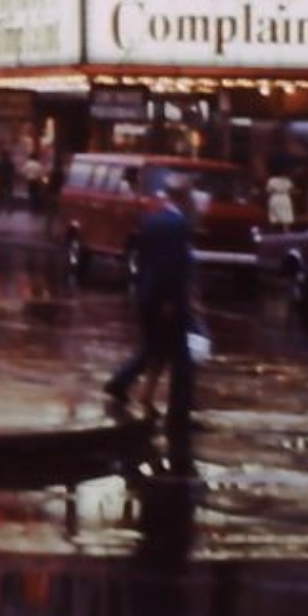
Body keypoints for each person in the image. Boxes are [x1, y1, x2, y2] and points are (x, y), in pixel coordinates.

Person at [104, 179, 199, 432]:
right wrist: (171, 299)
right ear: (184, 197)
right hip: (166, 299)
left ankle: (120, 383)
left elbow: (147, 260)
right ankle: (179, 413)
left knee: (154, 347)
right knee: (182, 359)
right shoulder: (178, 225)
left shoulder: (153, 219)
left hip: (147, 295)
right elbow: (171, 267)